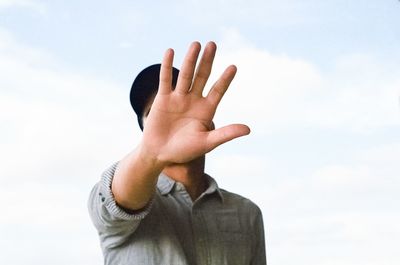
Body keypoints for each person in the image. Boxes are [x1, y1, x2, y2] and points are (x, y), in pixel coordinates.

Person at [88, 41, 266, 265]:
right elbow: (119, 202)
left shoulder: (246, 213)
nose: (172, 120)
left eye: (182, 110)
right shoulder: (127, 193)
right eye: (153, 115)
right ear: (145, 132)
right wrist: (151, 154)